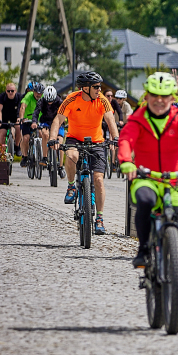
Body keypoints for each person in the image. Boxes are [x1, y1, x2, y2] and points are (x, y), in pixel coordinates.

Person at [118, 71, 178, 308]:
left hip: (175, 180)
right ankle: (142, 249)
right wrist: (127, 161)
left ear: (172, 97)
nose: (159, 101)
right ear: (147, 96)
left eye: (165, 96)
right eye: (155, 96)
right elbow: (126, 140)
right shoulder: (138, 118)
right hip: (146, 177)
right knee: (145, 201)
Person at [50, 71, 119, 235]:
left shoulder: (102, 100)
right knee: (72, 156)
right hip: (74, 138)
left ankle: (100, 219)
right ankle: (71, 186)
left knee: (98, 180)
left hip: (96, 141)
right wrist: (53, 138)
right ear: (85, 88)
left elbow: (110, 120)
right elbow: (58, 120)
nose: (99, 89)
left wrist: (116, 138)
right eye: (96, 87)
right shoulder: (72, 99)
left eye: (100, 86)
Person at [33, 85, 65, 169]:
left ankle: (61, 166)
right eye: (48, 101)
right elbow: (36, 112)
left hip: (58, 122)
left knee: (60, 142)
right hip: (45, 121)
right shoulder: (41, 101)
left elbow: (67, 112)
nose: (50, 103)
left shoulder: (59, 101)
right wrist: (34, 122)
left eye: (51, 101)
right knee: (45, 134)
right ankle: (45, 157)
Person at [19, 82, 44, 167]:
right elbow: (23, 106)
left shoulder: (43, 98)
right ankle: (25, 156)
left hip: (38, 120)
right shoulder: (29, 95)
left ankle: (43, 156)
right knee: (26, 138)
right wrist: (21, 118)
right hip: (27, 119)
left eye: (40, 93)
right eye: (36, 92)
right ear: (33, 91)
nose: (38, 94)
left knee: (42, 135)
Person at [0, 83, 21, 152]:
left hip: (15, 117)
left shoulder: (19, 97)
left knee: (19, 128)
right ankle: (1, 152)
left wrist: (19, 118)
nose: (10, 92)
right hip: (4, 118)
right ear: (6, 91)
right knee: (2, 133)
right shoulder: (2, 97)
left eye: (12, 91)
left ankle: (17, 146)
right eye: (8, 91)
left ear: (15, 91)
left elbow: (21, 109)